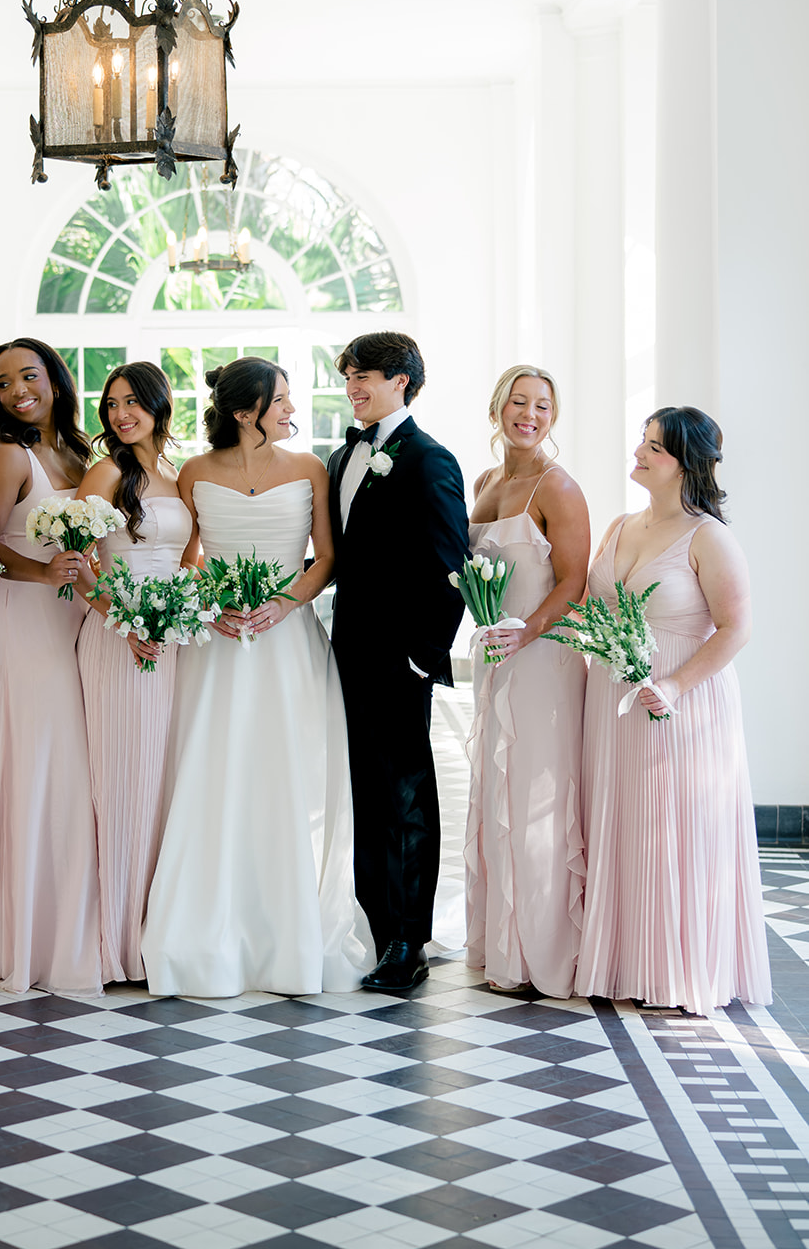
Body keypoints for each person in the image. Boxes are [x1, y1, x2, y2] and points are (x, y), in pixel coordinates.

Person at [141, 357, 372, 997]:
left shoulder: (308, 469)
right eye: (282, 401)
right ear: (246, 412)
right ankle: (208, 923)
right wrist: (213, 605)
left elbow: (327, 557)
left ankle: (287, 926)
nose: (292, 411)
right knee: (215, 773)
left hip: (288, 640)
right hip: (219, 644)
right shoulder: (194, 472)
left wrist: (285, 603)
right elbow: (187, 558)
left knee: (287, 777)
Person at [577, 407, 771, 1015]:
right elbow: (589, 607)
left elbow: (736, 629)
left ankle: (678, 967)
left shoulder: (709, 536)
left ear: (686, 464)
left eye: (654, 447)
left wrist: (678, 686)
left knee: (672, 829)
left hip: (681, 703)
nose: (638, 452)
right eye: (642, 439)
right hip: (614, 696)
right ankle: (623, 960)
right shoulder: (618, 525)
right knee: (623, 822)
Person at [328, 331, 470, 991]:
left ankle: (407, 942)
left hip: (400, 660)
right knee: (364, 794)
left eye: (366, 375)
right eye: (349, 374)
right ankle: (376, 929)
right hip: (347, 653)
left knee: (407, 796)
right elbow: (343, 560)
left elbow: (450, 565)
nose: (353, 384)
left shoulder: (429, 460)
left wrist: (423, 656)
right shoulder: (340, 456)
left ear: (402, 381)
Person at [0, 338, 102, 996]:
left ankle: (79, 925)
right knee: (43, 768)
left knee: (81, 767)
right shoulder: (5, 455)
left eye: (29, 373)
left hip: (80, 618)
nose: (17, 388)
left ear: (55, 378)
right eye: (3, 380)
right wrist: (43, 570)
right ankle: (30, 937)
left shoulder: (78, 451)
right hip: (28, 622)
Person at [463, 365, 590, 996]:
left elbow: (573, 582)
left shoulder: (557, 486)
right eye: (519, 402)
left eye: (543, 405)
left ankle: (544, 952)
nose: (530, 415)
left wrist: (526, 631)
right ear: (498, 408)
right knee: (499, 795)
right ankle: (502, 948)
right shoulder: (486, 481)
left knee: (537, 802)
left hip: (542, 656)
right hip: (497, 658)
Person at [76, 362, 192, 985]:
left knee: (164, 782)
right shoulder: (106, 472)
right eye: (111, 404)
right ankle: (117, 940)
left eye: (131, 402)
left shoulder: (180, 475)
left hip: (172, 639)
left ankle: (159, 930)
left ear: (158, 405)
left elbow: (191, 558)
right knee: (122, 781)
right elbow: (78, 560)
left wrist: (178, 615)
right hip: (119, 639)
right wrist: (125, 622)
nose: (120, 414)